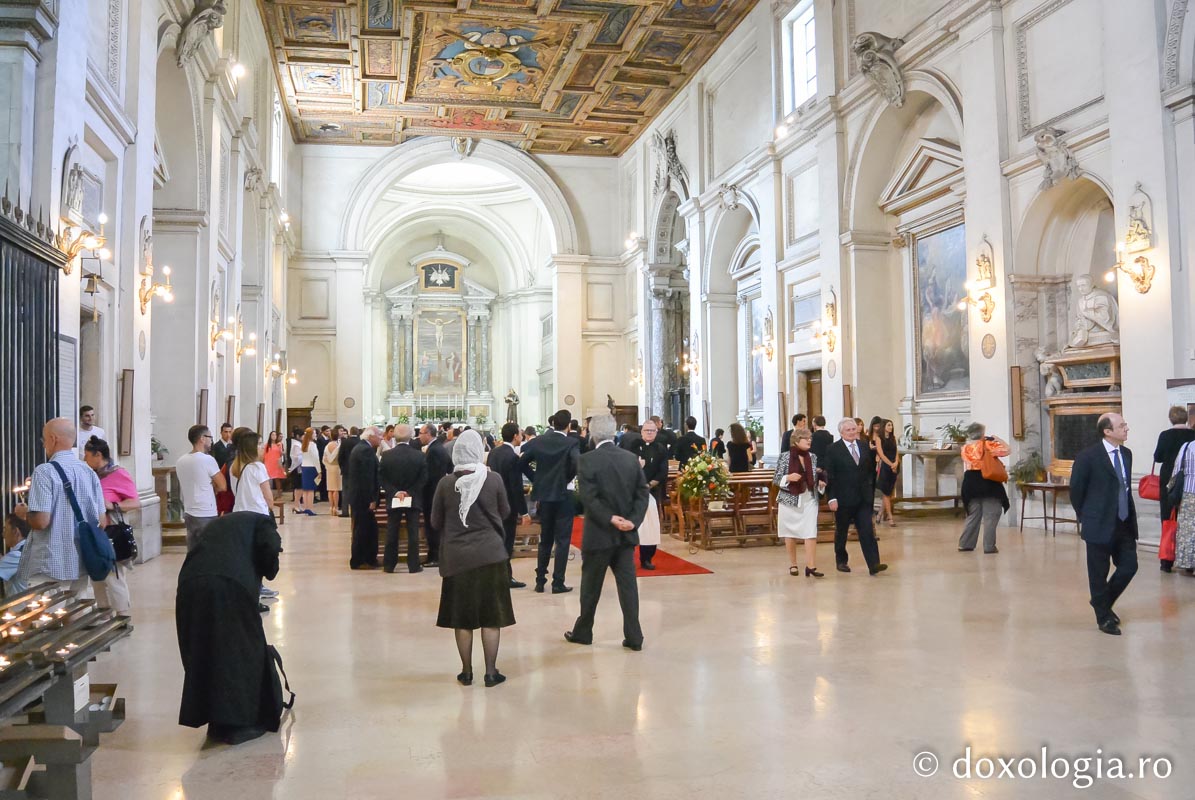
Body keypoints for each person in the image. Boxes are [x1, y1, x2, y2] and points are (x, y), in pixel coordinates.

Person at [175, 511, 283, 745]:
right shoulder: (263, 522)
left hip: (190, 584)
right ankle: (239, 724)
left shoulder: (224, 524)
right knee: (239, 652)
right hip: (229, 587)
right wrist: (269, 567)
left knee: (204, 651)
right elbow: (270, 550)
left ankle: (215, 719)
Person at [431, 430, 515, 688]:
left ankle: (466, 672)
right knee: (491, 618)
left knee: (462, 619)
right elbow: (505, 511)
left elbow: (435, 522)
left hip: (458, 558)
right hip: (491, 555)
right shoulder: (493, 479)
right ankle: (490, 672)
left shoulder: (446, 484)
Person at [564, 414, 650, 651]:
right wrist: (632, 522)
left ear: (592, 434)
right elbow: (642, 494)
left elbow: (588, 499)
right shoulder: (631, 459)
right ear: (613, 433)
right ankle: (634, 636)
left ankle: (583, 632)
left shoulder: (587, 460)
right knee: (628, 587)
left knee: (591, 587)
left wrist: (610, 519)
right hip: (625, 536)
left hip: (598, 535)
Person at [11, 418, 100, 596]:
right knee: (74, 617)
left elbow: (42, 521)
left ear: (53, 438)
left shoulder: (45, 471)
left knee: (45, 618)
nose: (44, 445)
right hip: (82, 560)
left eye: (44, 440)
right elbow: (101, 519)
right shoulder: (88, 471)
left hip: (51, 562)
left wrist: (24, 513)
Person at [1069, 413, 1138, 635]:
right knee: (1098, 573)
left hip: (1124, 522)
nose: (1126, 428)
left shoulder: (1126, 454)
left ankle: (1102, 602)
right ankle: (1103, 617)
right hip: (1098, 522)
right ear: (1107, 431)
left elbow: (1124, 488)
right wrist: (1087, 515)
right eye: (1122, 425)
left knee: (1129, 566)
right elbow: (1076, 492)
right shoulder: (1088, 457)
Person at [519, 409, 581, 593]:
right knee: (562, 541)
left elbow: (521, 463)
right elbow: (577, 463)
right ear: (569, 425)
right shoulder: (571, 442)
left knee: (545, 539)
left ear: (553, 423)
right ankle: (558, 582)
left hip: (544, 496)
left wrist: (536, 478)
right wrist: (566, 478)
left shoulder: (539, 441)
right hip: (563, 495)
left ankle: (540, 581)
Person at [822, 418, 887, 575]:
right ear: (841, 432)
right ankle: (841, 561)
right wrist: (831, 498)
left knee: (867, 531)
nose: (852, 432)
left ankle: (874, 564)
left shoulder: (864, 447)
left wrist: (870, 492)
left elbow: (870, 471)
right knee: (842, 531)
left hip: (863, 498)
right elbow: (829, 475)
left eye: (853, 429)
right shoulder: (833, 449)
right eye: (848, 430)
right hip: (843, 498)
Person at [82, 436, 138, 613]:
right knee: (96, 573)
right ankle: (103, 612)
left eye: (87, 455)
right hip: (93, 531)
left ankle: (122, 615)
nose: (85, 459)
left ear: (98, 455)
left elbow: (135, 503)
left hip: (112, 530)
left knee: (114, 575)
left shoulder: (118, 474)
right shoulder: (89, 475)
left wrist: (112, 505)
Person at [773, 428, 824, 577]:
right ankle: (793, 564)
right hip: (789, 499)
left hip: (809, 498)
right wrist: (788, 478)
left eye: (810, 438)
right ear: (796, 441)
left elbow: (815, 477)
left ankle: (811, 566)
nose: (809, 440)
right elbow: (776, 479)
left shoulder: (812, 457)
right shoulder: (785, 457)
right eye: (805, 438)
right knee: (790, 532)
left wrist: (820, 484)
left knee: (810, 531)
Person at [1152, 406, 1195, 572]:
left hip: (1170, 482)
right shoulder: (1192, 435)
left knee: (1168, 519)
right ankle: (1188, 562)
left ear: (1171, 419)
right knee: (1188, 523)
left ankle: (1167, 561)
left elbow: (1158, 457)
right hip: (1189, 484)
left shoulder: (1165, 435)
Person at [379, 424, 426, 574]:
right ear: (411, 436)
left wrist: (395, 492)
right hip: (413, 497)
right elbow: (423, 478)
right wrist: (409, 492)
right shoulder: (419, 455)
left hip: (394, 498)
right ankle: (413, 565)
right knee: (413, 532)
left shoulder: (386, 456)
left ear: (394, 436)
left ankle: (389, 565)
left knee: (392, 530)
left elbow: (381, 477)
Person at [487, 422, 529, 589]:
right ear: (514, 436)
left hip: (493, 504)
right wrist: (524, 512)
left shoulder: (493, 453)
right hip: (508, 505)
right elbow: (515, 487)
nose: (521, 436)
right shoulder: (512, 457)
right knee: (507, 542)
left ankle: (495, 575)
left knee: (496, 540)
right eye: (520, 433)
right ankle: (506, 577)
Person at [957, 424, 1009, 554]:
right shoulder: (988, 445)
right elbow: (1007, 450)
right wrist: (997, 439)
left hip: (970, 482)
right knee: (991, 515)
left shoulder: (965, 448)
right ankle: (989, 546)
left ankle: (965, 544)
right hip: (987, 481)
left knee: (973, 515)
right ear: (982, 433)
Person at [175, 424, 226, 551]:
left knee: (193, 551)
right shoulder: (207, 460)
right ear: (202, 438)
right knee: (209, 551)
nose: (211, 441)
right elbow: (222, 485)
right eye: (210, 437)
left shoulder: (181, 460)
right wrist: (213, 486)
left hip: (189, 511)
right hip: (205, 511)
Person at [629, 419, 668, 570]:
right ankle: (627, 558)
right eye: (646, 430)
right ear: (641, 432)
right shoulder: (633, 446)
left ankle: (647, 558)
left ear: (656, 432)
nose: (649, 433)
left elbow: (663, 470)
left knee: (650, 527)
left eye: (652, 431)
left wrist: (651, 483)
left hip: (651, 491)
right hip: (632, 491)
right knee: (632, 525)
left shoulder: (661, 449)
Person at [346, 427, 383, 570]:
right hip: (363, 498)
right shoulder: (365, 451)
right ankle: (359, 560)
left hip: (359, 496)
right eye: (379, 435)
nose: (381, 438)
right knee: (362, 530)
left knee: (367, 528)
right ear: (371, 436)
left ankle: (367, 558)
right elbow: (367, 478)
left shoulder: (362, 448)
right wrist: (371, 499)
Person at [420, 423, 451, 566]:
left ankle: (435, 557)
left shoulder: (434, 450)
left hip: (431, 494)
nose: (419, 436)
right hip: (436, 492)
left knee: (432, 526)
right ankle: (434, 555)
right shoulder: (439, 448)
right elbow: (450, 467)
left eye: (421, 433)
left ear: (429, 434)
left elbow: (430, 476)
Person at [1172, 438, 1195, 576]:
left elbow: (1177, 469)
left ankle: (1189, 563)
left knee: (1189, 529)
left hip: (1188, 492)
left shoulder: (1187, 446)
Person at [875, 419, 900, 527]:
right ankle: (890, 517)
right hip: (886, 466)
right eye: (888, 425)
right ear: (883, 426)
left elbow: (896, 452)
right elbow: (881, 454)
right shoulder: (879, 438)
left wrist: (896, 463)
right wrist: (890, 464)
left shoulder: (893, 438)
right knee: (886, 493)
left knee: (889, 493)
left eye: (891, 425)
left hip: (894, 466)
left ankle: (879, 514)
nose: (891, 427)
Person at [1, 514, 30, 596]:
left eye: (5, 530)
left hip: (21, 607)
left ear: (16, 532)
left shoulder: (17, 555)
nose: (3, 535)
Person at [337, 426, 362, 517]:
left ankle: (345, 511)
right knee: (357, 490)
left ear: (350, 432)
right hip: (358, 471)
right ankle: (356, 510)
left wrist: (342, 468)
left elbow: (340, 457)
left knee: (345, 491)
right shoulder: (360, 442)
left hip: (347, 470)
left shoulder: (345, 442)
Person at [322, 426, 343, 517]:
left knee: (330, 489)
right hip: (336, 467)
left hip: (329, 469)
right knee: (336, 489)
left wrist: (327, 466)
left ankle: (331, 507)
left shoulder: (327, 446)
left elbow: (324, 459)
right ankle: (336, 508)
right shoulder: (338, 446)